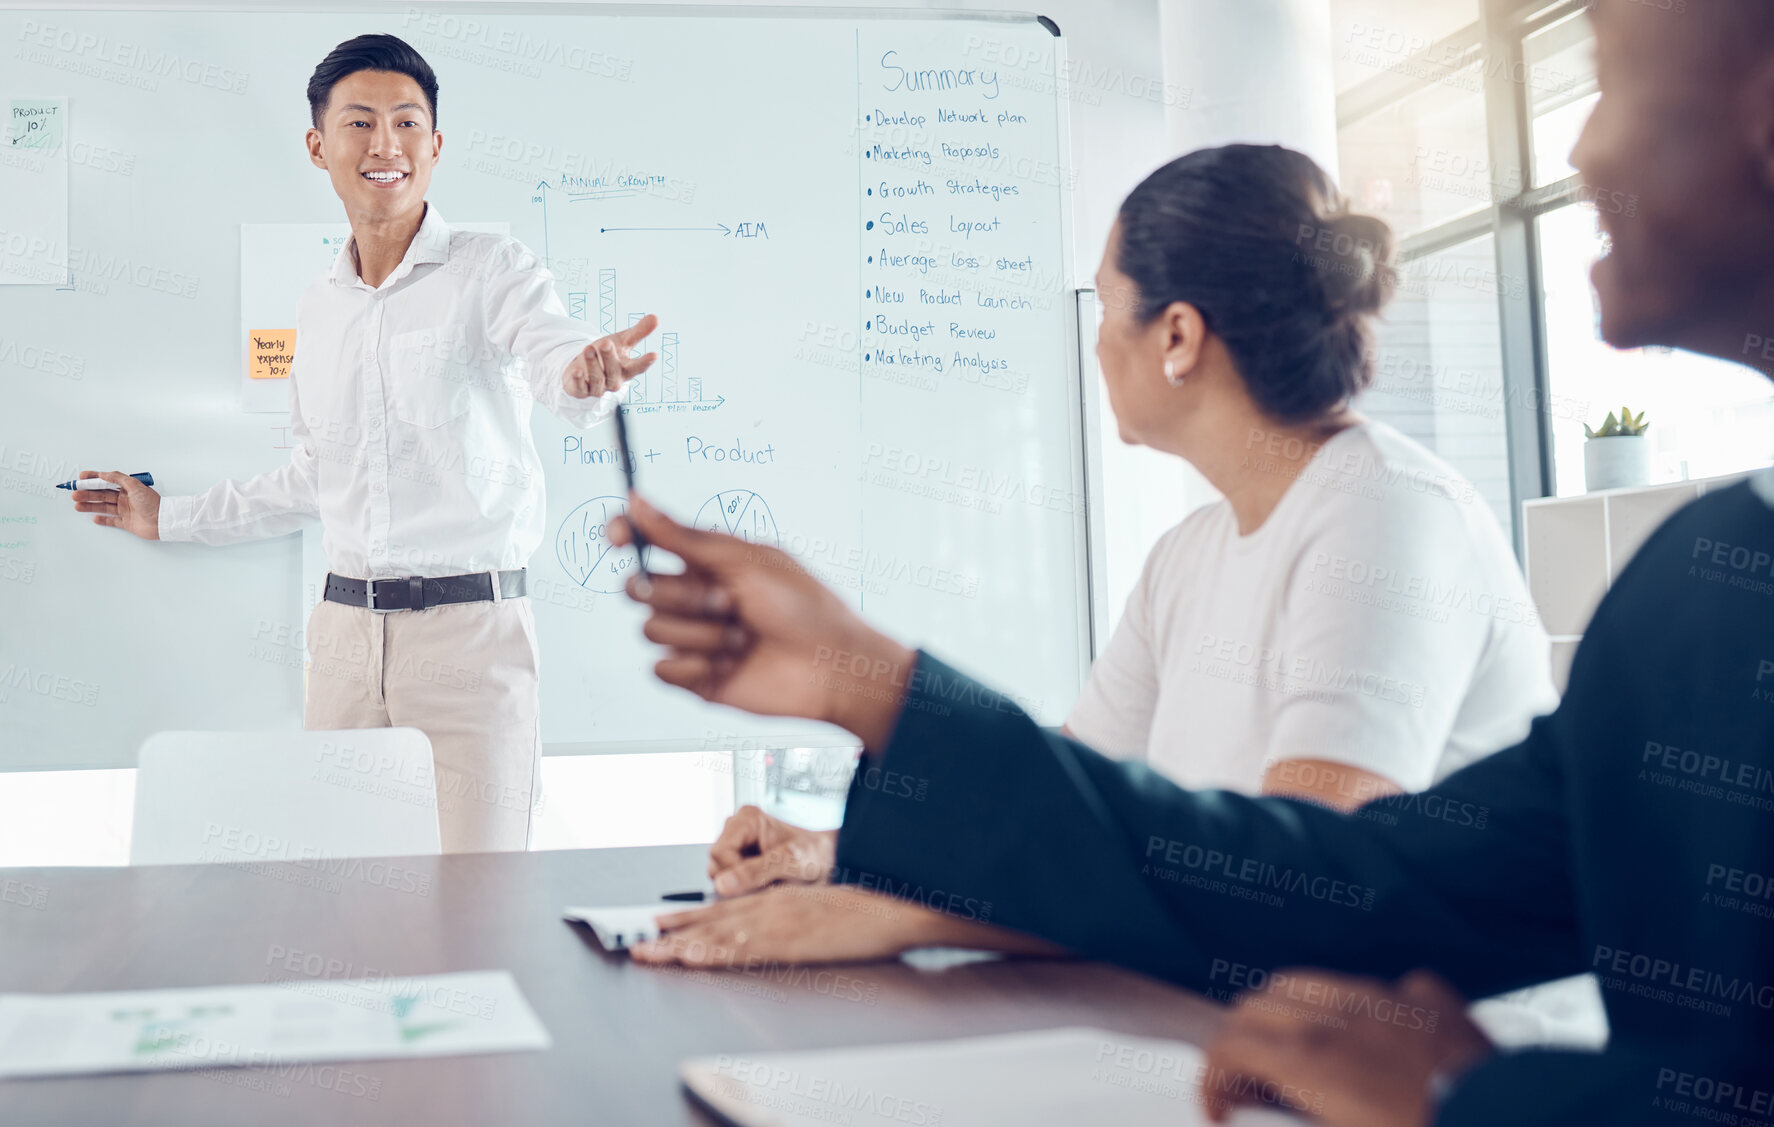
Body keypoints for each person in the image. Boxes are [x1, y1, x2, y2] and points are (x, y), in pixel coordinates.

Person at [605, 0, 1774, 1120]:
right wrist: (868, 700)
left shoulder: (1394, 518)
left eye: (1612, 73)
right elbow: (1321, 879)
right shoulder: (1700, 577)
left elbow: (1317, 896)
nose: (1574, 146)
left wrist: (1474, 1102)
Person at [693, 144, 1557, 904]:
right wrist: (840, 857)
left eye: (1108, 308)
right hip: (1234, 1029)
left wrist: (898, 911)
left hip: (1428, 1072)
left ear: (1177, 334)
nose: (1098, 344)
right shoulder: (1189, 556)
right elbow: (1069, 796)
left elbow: (1299, 889)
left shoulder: (1386, 518)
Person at [67, 34, 656, 852]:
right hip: (343, 641)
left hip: (470, 640)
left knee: (476, 904)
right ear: (320, 146)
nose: (386, 145)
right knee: (340, 900)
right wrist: (170, 517)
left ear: (436, 144)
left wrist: (586, 374)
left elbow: (554, 354)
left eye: (407, 122)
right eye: (360, 123)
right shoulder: (318, 306)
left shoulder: (492, 268)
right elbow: (316, 477)